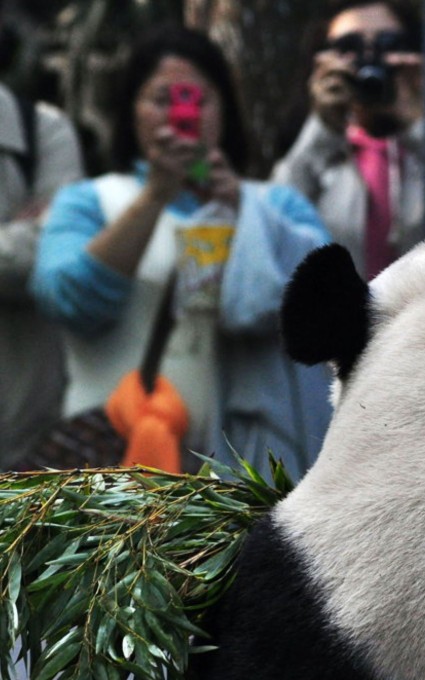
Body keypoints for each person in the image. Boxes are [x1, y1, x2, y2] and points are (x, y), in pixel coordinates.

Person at [31, 25, 333, 479]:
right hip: (110, 473)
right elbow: (67, 298)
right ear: (130, 111)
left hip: (244, 477)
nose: (179, 114)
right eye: (161, 99)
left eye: (197, 99)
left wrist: (242, 212)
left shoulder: (276, 206)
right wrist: (155, 195)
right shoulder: (89, 202)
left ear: (225, 111)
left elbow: (326, 304)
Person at [272, 0, 425, 280]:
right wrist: (323, 129)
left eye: (389, 45)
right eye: (349, 47)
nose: (370, 58)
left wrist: (422, 128)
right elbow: (270, 234)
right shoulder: (314, 160)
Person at [0, 4, 84, 469]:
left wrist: (34, 240)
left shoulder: (44, 133)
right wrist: (18, 232)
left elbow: (48, 256)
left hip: (24, 452)